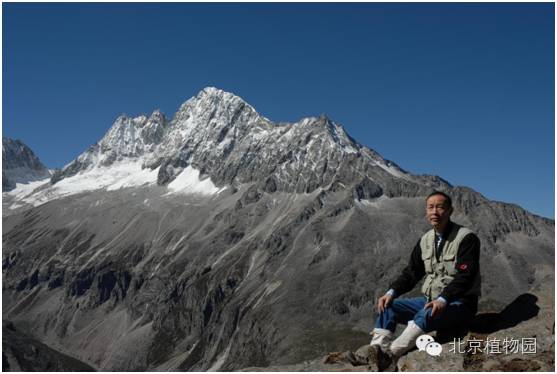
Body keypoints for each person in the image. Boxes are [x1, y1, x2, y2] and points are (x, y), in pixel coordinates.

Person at [369, 191, 481, 369]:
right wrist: (391, 292)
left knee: (428, 312)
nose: (434, 212)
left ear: (450, 210)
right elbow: (412, 273)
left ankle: (391, 355)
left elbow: (465, 276)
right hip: (429, 300)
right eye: (430, 207)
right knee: (388, 305)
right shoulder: (425, 241)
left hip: (460, 304)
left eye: (440, 207)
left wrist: (443, 299)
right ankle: (376, 352)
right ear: (426, 211)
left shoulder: (466, 238)